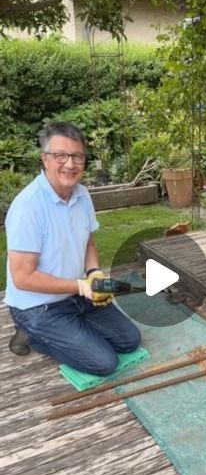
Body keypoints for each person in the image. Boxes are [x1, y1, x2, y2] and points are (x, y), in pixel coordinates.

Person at [5, 121, 141, 375]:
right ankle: (30, 332)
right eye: (60, 156)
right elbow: (22, 278)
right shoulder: (28, 207)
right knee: (103, 363)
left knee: (129, 341)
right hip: (38, 306)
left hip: (76, 294)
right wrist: (81, 286)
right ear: (44, 159)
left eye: (77, 156)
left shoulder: (82, 195)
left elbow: (88, 243)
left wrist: (93, 274)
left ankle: (72, 327)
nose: (70, 164)